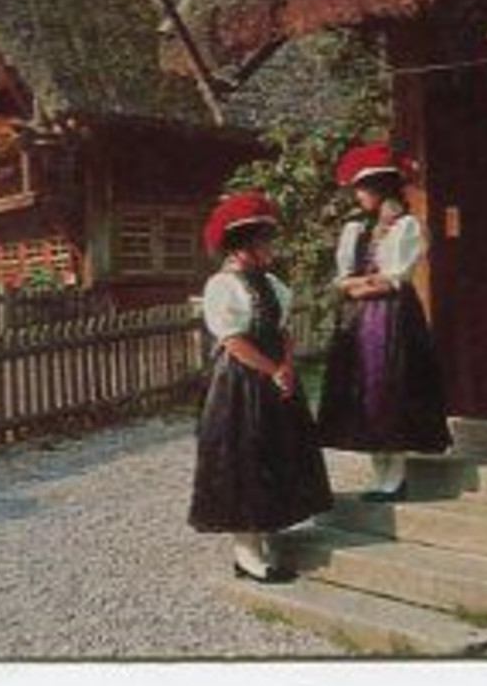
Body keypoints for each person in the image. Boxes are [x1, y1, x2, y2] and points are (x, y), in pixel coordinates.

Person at [189, 191, 334, 583]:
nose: (271, 249)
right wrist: (271, 370)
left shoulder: (271, 282)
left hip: (274, 378)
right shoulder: (223, 286)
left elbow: (284, 329)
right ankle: (246, 553)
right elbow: (233, 341)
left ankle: (264, 542)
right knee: (245, 459)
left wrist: (287, 366)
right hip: (241, 382)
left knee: (275, 455)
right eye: (264, 242)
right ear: (243, 247)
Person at [317, 142, 451, 501]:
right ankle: (381, 477)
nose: (358, 196)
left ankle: (397, 478)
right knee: (362, 391)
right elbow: (343, 279)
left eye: (363, 188)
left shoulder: (406, 226)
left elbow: (394, 278)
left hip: (391, 318)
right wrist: (357, 286)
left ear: (380, 187)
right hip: (358, 321)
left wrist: (358, 287)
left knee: (388, 387)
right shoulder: (355, 229)